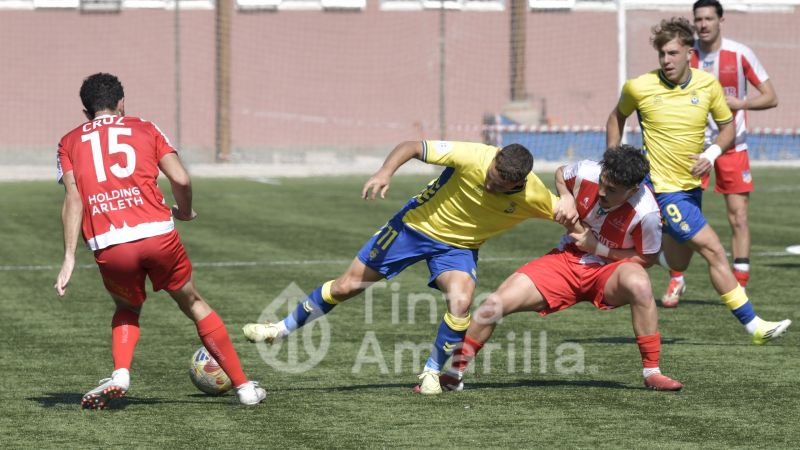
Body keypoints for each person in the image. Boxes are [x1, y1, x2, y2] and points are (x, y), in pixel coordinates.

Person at [243, 139, 559, 394]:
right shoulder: (473, 155)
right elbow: (412, 146)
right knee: (346, 287)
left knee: (461, 302)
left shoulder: (535, 196)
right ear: (494, 160)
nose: (490, 186)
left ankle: (432, 372)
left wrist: (571, 204)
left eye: (500, 186)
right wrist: (385, 172)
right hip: (411, 229)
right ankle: (280, 330)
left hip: (457, 249)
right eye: (490, 178)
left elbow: (571, 213)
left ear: (519, 182)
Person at [55, 73, 266, 409]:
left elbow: (73, 199)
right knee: (194, 303)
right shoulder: (146, 128)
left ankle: (121, 373)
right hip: (157, 234)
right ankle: (245, 390)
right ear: (122, 102)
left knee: (127, 307)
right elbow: (180, 178)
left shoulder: (68, 142)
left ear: (86, 111)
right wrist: (184, 211)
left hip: (111, 243)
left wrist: (68, 257)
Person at [439, 145, 683, 392]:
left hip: (610, 270)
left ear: (632, 190)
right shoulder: (588, 170)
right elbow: (560, 173)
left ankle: (652, 372)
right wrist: (566, 196)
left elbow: (647, 258)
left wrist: (599, 249)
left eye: (611, 190)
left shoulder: (647, 213)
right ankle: (453, 374)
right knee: (494, 304)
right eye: (602, 181)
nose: (600, 192)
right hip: (566, 260)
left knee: (639, 283)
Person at [606, 18, 790, 343]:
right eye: (662, 54)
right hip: (664, 190)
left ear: (690, 53)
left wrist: (713, 154)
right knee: (715, 251)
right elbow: (616, 116)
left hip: (691, 189)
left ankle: (638, 252)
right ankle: (754, 326)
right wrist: (612, 159)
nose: (666, 60)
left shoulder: (708, 85)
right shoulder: (639, 86)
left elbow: (728, 126)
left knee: (679, 260)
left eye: (673, 53)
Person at [662, 0, 779, 307]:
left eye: (708, 18)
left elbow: (770, 96)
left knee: (738, 216)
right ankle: (676, 278)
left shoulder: (740, 54)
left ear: (720, 21)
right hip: (692, 149)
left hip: (732, 145)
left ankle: (739, 285)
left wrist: (741, 104)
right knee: (681, 216)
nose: (703, 24)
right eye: (698, 19)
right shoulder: (686, 56)